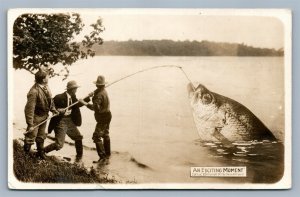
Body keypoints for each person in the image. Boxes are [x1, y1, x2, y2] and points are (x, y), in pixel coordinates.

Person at [45, 80, 90, 162]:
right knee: (59, 145)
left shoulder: (73, 97)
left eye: (76, 88)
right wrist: (58, 109)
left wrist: (88, 98)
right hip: (60, 121)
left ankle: (79, 158)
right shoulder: (59, 97)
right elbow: (50, 106)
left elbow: (77, 104)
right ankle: (42, 152)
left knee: (78, 137)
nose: (76, 90)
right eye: (75, 88)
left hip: (69, 120)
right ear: (71, 89)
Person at [24, 70, 58, 159]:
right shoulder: (34, 92)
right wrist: (30, 124)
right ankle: (25, 155)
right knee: (31, 136)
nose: (48, 78)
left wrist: (53, 110)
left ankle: (40, 153)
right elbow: (29, 109)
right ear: (43, 79)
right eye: (47, 77)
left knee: (41, 135)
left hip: (44, 116)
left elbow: (50, 100)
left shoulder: (46, 87)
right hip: (35, 117)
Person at [80, 75, 112, 163]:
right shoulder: (103, 91)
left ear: (97, 85)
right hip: (108, 115)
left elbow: (94, 108)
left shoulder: (99, 95)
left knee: (96, 137)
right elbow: (98, 99)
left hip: (103, 118)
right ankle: (108, 154)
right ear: (104, 85)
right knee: (105, 134)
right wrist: (91, 95)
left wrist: (84, 102)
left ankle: (102, 157)